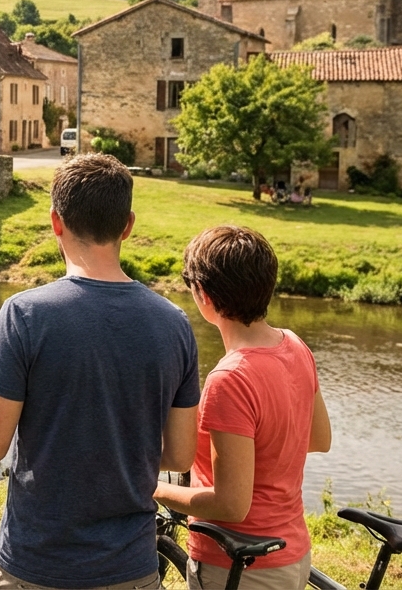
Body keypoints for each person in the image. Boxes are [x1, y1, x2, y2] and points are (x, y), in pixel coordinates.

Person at [0, 153, 200, 590]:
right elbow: (179, 455)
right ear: (128, 225)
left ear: (56, 222)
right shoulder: (174, 323)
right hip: (131, 568)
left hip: (36, 564)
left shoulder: (25, 314)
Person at [154, 226, 331, 590]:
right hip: (291, 555)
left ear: (203, 295)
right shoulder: (295, 346)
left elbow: (232, 505)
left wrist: (147, 487)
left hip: (239, 564)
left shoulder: (230, 378)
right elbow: (318, 439)